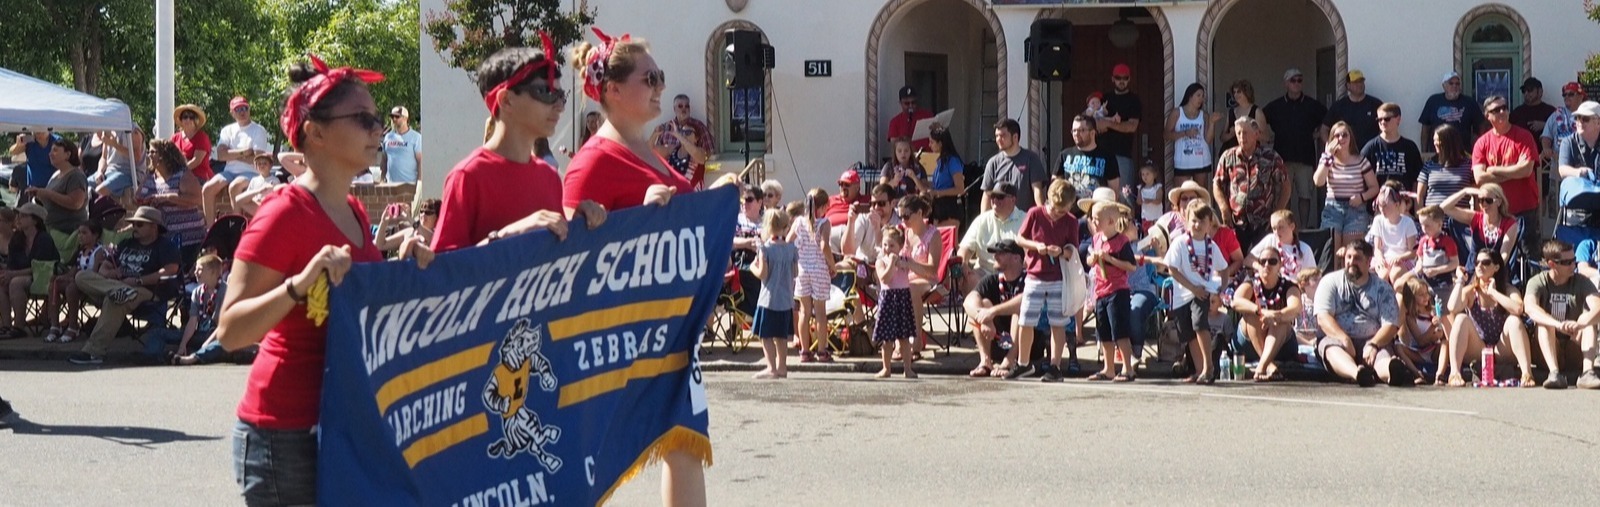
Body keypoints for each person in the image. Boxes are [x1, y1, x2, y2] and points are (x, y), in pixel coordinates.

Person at [215, 56, 433, 504]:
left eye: (376, 118)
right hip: (284, 433)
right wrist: (299, 283)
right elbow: (230, 330)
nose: (378, 128)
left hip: (341, 424)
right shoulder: (283, 212)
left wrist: (405, 269)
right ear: (315, 132)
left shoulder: (353, 209)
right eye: (363, 119)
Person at [434, 46, 605, 252]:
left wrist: (578, 225)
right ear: (506, 100)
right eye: (545, 92)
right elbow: (443, 273)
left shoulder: (549, 177)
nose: (559, 106)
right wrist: (506, 235)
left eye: (560, 95)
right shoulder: (467, 177)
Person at [67, 206, 180, 365]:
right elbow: (104, 268)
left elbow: (169, 271)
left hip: (146, 290)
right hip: (117, 285)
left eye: (140, 225)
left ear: (154, 227)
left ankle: (93, 352)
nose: (134, 228)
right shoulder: (126, 243)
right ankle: (119, 290)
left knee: (115, 300)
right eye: (133, 224)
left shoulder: (165, 245)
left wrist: (138, 281)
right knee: (81, 276)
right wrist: (114, 273)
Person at [1003, 179, 1080, 382]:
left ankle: (1055, 366)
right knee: (1026, 320)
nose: (1058, 214)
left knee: (1058, 322)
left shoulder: (1071, 220)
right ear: (1049, 201)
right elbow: (1020, 239)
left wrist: (1062, 251)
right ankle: (1023, 363)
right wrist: (1037, 246)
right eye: (1055, 209)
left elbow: (1073, 249)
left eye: (1063, 211)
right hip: (1035, 276)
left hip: (1058, 277)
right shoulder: (1035, 213)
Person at [1315, 239, 1410, 387]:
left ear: (1368, 261)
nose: (1351, 262)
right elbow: (1323, 317)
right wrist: (1344, 339)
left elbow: (1390, 325)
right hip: (1338, 339)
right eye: (1348, 257)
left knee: (1382, 355)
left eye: (1357, 258)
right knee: (1331, 347)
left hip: (1373, 339)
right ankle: (1357, 374)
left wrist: (1373, 344)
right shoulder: (1330, 281)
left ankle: (1392, 372)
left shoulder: (1383, 288)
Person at [1443, 249, 1531, 387]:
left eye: (1485, 262)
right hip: (1479, 348)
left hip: (1502, 349)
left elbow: (1519, 309)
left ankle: (1527, 373)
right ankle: (1454, 373)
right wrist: (1460, 280)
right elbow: (1452, 307)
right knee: (1461, 319)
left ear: (1496, 267)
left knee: (1514, 321)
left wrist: (1493, 293)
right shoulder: (1472, 291)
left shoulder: (1507, 289)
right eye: (1477, 262)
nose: (1479, 266)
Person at [1164, 203, 1228, 384]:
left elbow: (1223, 269)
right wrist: (1192, 287)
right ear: (1186, 221)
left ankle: (1208, 367)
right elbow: (1172, 269)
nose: (1197, 225)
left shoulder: (1212, 246)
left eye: (1202, 221)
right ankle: (1200, 371)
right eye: (1193, 220)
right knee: (1188, 333)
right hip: (1182, 294)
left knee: (1200, 324)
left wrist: (1220, 290)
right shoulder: (1180, 243)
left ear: (1209, 224)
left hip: (1202, 293)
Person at [1522, 239, 1600, 389]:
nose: (1573, 266)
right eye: (1568, 262)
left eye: (1574, 261)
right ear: (1552, 264)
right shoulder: (1538, 281)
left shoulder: (1582, 282)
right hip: (1549, 350)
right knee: (1544, 325)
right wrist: (1557, 325)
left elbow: (1598, 307)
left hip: (1574, 345)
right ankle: (1554, 374)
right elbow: (1530, 308)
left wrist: (1581, 322)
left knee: (1589, 322)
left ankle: (1587, 373)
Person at [1475, 95, 1542, 258]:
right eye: (1496, 110)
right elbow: (1480, 179)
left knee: (1529, 257)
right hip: (1496, 213)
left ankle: (1529, 284)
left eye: (1504, 107)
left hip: (1524, 209)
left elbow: (1526, 170)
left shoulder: (1524, 137)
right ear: (1487, 115)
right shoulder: (1482, 143)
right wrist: (1514, 171)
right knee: (1498, 258)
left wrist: (1493, 170)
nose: (1502, 112)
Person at [1080, 194, 1137, 382]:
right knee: (1103, 330)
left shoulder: (1122, 241)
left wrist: (1110, 259)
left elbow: (1131, 266)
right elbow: (1089, 260)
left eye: (1097, 219)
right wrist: (1094, 259)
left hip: (1118, 290)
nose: (1093, 222)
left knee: (1119, 330)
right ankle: (1108, 368)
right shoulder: (1096, 239)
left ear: (1111, 221)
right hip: (1100, 290)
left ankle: (1128, 369)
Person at [1265, 68, 1329, 225]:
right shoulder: (1275, 106)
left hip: (1305, 157)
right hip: (1282, 158)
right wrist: (1267, 137)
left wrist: (1318, 134)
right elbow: (1260, 118)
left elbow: (1328, 119)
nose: (1297, 83)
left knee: (1305, 196)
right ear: (1286, 83)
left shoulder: (1312, 105)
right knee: (1284, 196)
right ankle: (1285, 226)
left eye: (1299, 80)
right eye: (1293, 80)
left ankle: (1304, 227)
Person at [1213, 117, 1289, 247]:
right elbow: (1217, 184)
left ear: (1256, 134)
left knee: (1262, 261)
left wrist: (1276, 213)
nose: (1242, 137)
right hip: (1237, 222)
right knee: (1236, 262)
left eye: (1246, 133)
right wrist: (1224, 208)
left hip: (1263, 223)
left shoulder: (1271, 157)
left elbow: (1286, 186)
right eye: (1239, 133)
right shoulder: (1228, 157)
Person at [1231, 246, 1303, 382]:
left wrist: (1276, 316)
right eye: (1262, 261)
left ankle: (1262, 365)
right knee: (1251, 316)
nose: (1266, 265)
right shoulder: (1251, 283)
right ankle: (1268, 365)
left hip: (1282, 344)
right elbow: (1236, 301)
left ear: (1280, 265)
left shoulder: (1289, 286)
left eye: (1272, 261)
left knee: (1281, 322)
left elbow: (1295, 308)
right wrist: (1261, 312)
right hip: (1249, 343)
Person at [146, 253, 228, 364]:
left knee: (222, 344)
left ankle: (196, 356)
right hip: (199, 334)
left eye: (199, 269)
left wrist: (207, 345)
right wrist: (182, 345)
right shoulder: (197, 292)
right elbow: (192, 321)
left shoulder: (226, 292)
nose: (195, 273)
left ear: (212, 272)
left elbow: (223, 326)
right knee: (157, 333)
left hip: (217, 335)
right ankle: (153, 359)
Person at [204, 96, 272, 228]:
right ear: (232, 112)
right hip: (228, 171)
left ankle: (236, 226)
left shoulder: (258, 130)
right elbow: (220, 155)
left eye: (245, 108)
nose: (242, 112)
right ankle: (210, 229)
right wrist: (245, 151)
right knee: (207, 188)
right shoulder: (227, 130)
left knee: (235, 186)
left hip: (251, 172)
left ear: (249, 109)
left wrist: (232, 153)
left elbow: (258, 159)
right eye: (238, 109)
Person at [138, 140, 205, 267]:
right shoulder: (150, 177)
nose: (149, 155)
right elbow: (137, 196)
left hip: (188, 239)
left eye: (152, 152)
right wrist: (144, 201)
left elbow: (197, 199)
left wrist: (167, 198)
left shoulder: (182, 175)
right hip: (164, 238)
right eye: (148, 152)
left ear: (164, 155)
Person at [1314, 121, 1378, 252]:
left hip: (1355, 209)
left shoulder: (1360, 161)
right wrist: (1328, 156)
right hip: (1333, 208)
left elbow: (1374, 187)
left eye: (1345, 135)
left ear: (1350, 138)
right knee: (1332, 251)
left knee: (1352, 251)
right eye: (1337, 136)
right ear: (1331, 139)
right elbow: (1318, 181)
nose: (1341, 139)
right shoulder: (1327, 160)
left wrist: (1361, 197)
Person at [965, 239, 1025, 378]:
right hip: (996, 339)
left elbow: (1024, 300)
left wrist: (992, 312)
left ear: (1016, 258)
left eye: (1001, 253)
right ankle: (985, 362)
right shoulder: (992, 280)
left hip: (1026, 345)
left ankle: (1010, 361)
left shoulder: (1028, 279)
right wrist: (984, 319)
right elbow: (968, 301)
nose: (995, 256)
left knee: (1018, 311)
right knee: (983, 303)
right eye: (995, 253)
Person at [788, 191, 835, 363]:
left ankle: (804, 351)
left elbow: (788, 240)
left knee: (803, 312)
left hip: (802, 270)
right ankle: (822, 351)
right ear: (822, 207)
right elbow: (824, 246)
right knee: (820, 313)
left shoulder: (799, 222)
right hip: (820, 270)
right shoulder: (824, 223)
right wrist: (832, 265)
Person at [0, 204, 59, 338]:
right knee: (2, 282)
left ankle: (19, 326)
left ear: (35, 220)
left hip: (44, 277)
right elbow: (12, 263)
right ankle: (5, 326)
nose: (19, 218)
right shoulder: (17, 238)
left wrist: (13, 274)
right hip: (21, 275)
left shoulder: (44, 239)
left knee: (16, 282)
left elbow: (39, 267)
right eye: (19, 215)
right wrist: (7, 274)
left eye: (24, 216)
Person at [750, 209, 795, 380]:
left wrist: (753, 267)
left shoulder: (765, 249)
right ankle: (782, 367)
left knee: (765, 335)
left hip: (768, 299)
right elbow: (796, 272)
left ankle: (771, 367)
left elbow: (762, 273)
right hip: (786, 299)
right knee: (781, 336)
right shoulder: (791, 248)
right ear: (785, 227)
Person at [43, 222, 106, 344]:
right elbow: (74, 270)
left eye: (84, 233)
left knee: (71, 288)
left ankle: (73, 326)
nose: (80, 236)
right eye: (79, 233)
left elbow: (96, 274)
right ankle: (55, 326)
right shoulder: (81, 251)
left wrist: (74, 279)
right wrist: (63, 277)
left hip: (91, 284)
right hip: (77, 280)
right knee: (54, 284)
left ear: (95, 235)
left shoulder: (99, 252)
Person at [897, 195, 942, 358]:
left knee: (911, 289)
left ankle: (916, 340)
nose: (903, 220)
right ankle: (898, 341)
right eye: (900, 216)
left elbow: (932, 269)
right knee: (894, 288)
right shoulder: (906, 233)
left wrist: (909, 263)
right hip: (908, 278)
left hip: (928, 279)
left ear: (920, 213)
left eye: (907, 216)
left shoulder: (933, 235)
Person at [873, 227, 922, 379]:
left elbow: (919, 269)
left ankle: (907, 368)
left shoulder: (904, 260)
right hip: (888, 299)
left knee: (904, 338)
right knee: (887, 340)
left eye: (892, 246)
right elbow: (884, 279)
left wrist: (907, 264)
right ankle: (886, 368)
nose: (888, 249)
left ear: (900, 247)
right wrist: (891, 265)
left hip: (902, 298)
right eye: (885, 245)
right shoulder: (881, 261)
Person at [1555, 101, 1600, 249]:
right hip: (1577, 211)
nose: (1579, 122)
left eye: (1585, 119)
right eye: (1577, 118)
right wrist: (1578, 172)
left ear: (1597, 121)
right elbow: (1562, 170)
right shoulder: (1569, 142)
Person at [1441, 183, 1520, 264]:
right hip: (1473, 270)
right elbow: (1444, 208)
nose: (1484, 204)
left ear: (1499, 202)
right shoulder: (1475, 218)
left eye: (1489, 200)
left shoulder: (1509, 224)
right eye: (1481, 200)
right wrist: (1464, 191)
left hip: (1497, 270)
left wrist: (1489, 273)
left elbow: (1504, 255)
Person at [958, 183, 1024, 278]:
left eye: (1000, 197)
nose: (995, 200)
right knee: (968, 278)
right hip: (984, 273)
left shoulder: (1026, 219)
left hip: (1016, 275)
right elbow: (965, 249)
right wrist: (963, 263)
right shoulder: (981, 220)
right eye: (992, 196)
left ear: (1013, 200)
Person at [981, 119, 1048, 212]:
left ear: (1015, 137)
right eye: (996, 136)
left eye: (1003, 135)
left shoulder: (1031, 159)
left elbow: (1037, 190)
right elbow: (987, 195)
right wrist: (984, 221)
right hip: (999, 221)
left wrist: (1042, 215)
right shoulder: (993, 162)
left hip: (1024, 219)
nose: (998, 139)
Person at [31, 137, 90, 239]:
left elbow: (76, 203)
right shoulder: (56, 174)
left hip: (67, 233)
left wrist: (47, 194)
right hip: (52, 229)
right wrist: (38, 195)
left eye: (55, 150)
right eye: (50, 150)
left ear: (68, 154)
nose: (50, 154)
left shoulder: (76, 176)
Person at [652, 94, 715, 188]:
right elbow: (655, 154)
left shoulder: (698, 127)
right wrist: (654, 134)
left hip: (692, 181)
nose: (684, 109)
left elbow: (708, 152)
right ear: (674, 109)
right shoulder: (667, 128)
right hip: (670, 182)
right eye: (680, 106)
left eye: (687, 106)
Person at [1400, 205, 1461, 301]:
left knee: (1441, 309)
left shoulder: (1447, 242)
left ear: (1439, 224)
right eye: (1421, 225)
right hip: (1425, 280)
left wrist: (1437, 270)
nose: (1424, 229)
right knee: (1400, 284)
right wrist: (1418, 267)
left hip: (1442, 282)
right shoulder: (1423, 241)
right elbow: (1420, 258)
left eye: (1427, 226)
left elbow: (1455, 262)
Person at [1099, 63, 1143, 194]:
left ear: (1129, 79)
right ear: (1113, 79)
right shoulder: (1104, 99)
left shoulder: (1134, 100)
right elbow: (1095, 122)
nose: (1121, 81)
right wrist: (1109, 123)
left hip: (1123, 155)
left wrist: (1108, 124)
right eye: (1118, 78)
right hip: (1102, 154)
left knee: (1125, 196)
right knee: (1101, 195)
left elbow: (1132, 126)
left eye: (1125, 78)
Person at [1056, 114, 1121, 200]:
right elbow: (1055, 186)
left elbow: (1114, 191)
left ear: (1092, 133)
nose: (1076, 134)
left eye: (1081, 130)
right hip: (1069, 210)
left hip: (1095, 209)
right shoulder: (1064, 155)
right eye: (1074, 130)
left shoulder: (1107, 157)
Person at [1362, 102, 1425, 190]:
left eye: (1387, 119)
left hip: (1404, 199)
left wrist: (1415, 201)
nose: (1383, 122)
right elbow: (1361, 177)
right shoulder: (1370, 147)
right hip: (1379, 200)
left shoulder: (1410, 147)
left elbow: (1417, 178)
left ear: (1398, 119)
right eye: (1379, 119)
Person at [1167, 83, 1217, 187]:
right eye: (1198, 95)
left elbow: (1208, 140)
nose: (1201, 99)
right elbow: (1166, 135)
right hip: (1183, 160)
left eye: (1203, 96)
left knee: (1201, 194)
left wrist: (1212, 123)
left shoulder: (1204, 115)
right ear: (1190, 96)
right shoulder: (1177, 113)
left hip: (1201, 159)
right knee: (1182, 193)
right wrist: (1185, 133)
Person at [1367, 182, 1418, 283]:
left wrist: (1399, 257)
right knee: (1383, 275)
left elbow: (1413, 252)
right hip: (1385, 258)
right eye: (1380, 206)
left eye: (1385, 206)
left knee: (1395, 275)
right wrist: (1380, 258)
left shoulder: (1407, 222)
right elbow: (1377, 248)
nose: (1382, 209)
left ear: (1396, 205)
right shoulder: (1378, 220)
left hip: (1403, 259)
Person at [1419, 72, 1485, 148]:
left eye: (1457, 84)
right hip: (1437, 152)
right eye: (1451, 83)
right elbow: (1425, 128)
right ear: (1444, 86)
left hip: (1463, 153)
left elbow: (1480, 126)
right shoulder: (1433, 101)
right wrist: (1424, 152)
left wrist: (1476, 148)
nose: (1454, 86)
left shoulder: (1470, 102)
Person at [1322, 70, 1383, 150]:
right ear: (1348, 86)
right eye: (1355, 82)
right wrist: (1331, 147)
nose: (1359, 84)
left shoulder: (1375, 104)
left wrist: (1380, 145)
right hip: (1346, 155)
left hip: (1371, 153)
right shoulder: (1339, 106)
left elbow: (1386, 127)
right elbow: (1324, 129)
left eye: (1361, 81)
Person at [1247, 210, 1315, 280]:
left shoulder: (1305, 249)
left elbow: (1312, 276)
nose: (1276, 232)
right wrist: (1261, 267)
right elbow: (1248, 260)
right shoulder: (1270, 239)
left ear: (1292, 226)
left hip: (1293, 287)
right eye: (1274, 228)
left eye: (1280, 227)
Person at [89, 120, 143, 202]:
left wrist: (114, 145)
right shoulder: (108, 130)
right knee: (83, 185)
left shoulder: (133, 131)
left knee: (100, 190)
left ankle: (98, 213)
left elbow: (137, 157)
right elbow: (104, 158)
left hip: (128, 173)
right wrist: (99, 171)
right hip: (109, 172)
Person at [926, 128, 965, 227]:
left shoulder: (953, 161)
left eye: (932, 142)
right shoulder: (940, 161)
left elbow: (960, 189)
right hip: (938, 207)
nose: (929, 145)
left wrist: (938, 193)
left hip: (950, 208)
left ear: (940, 143)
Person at [1220, 79, 1273, 152]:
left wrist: (1252, 132)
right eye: (1234, 92)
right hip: (1232, 155)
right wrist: (1231, 134)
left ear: (1247, 93)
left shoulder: (1256, 111)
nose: (1236, 95)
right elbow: (1222, 138)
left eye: (1239, 92)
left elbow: (1267, 137)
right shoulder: (1231, 112)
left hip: (1251, 154)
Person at [1542, 82, 1587, 163]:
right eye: (1564, 95)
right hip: (1559, 161)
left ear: (1581, 97)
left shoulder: (1588, 115)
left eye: (1571, 94)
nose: (1566, 97)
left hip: (1584, 161)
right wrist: (1546, 148)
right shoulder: (1556, 115)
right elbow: (1546, 136)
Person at [170, 104, 215, 182]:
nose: (188, 120)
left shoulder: (202, 137)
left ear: (196, 120)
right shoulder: (175, 138)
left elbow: (196, 161)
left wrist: (179, 172)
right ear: (181, 120)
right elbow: (169, 157)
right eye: (185, 117)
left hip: (198, 176)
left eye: (191, 117)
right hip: (177, 175)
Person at [380, 106, 423, 185]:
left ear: (405, 118)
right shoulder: (388, 137)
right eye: (392, 116)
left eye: (397, 116)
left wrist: (419, 182)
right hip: (390, 185)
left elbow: (420, 161)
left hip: (410, 185)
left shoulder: (416, 137)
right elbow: (384, 159)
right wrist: (382, 178)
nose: (394, 119)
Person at [888, 86, 934, 151]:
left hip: (927, 156)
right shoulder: (895, 121)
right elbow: (894, 144)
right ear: (900, 103)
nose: (911, 106)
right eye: (907, 103)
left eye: (913, 102)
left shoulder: (928, 115)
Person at [1133, 162, 1163, 233]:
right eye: (1143, 174)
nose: (1145, 176)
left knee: (1157, 234)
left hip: (1156, 216)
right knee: (1146, 234)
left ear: (1154, 175)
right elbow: (1138, 202)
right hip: (1146, 217)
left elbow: (1159, 200)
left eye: (1147, 174)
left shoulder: (1158, 187)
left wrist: (1150, 201)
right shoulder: (1140, 188)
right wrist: (1140, 200)